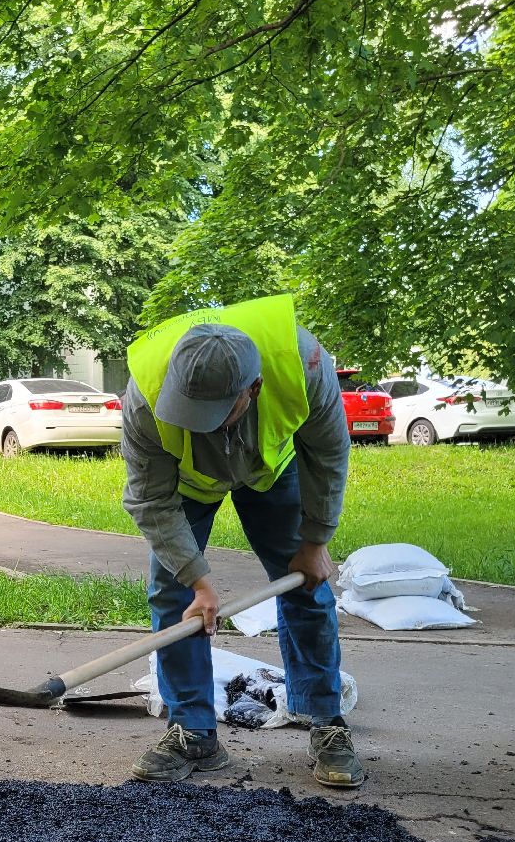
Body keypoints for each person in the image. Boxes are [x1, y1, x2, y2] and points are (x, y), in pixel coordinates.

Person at [121, 293, 362, 788]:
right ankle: (193, 732)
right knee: (175, 595)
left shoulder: (305, 366)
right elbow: (148, 498)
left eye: (212, 413)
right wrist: (197, 580)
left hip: (270, 471)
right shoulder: (145, 397)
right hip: (186, 483)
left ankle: (324, 720)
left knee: (305, 584)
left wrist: (315, 540)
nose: (195, 424)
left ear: (252, 388)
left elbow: (329, 456)